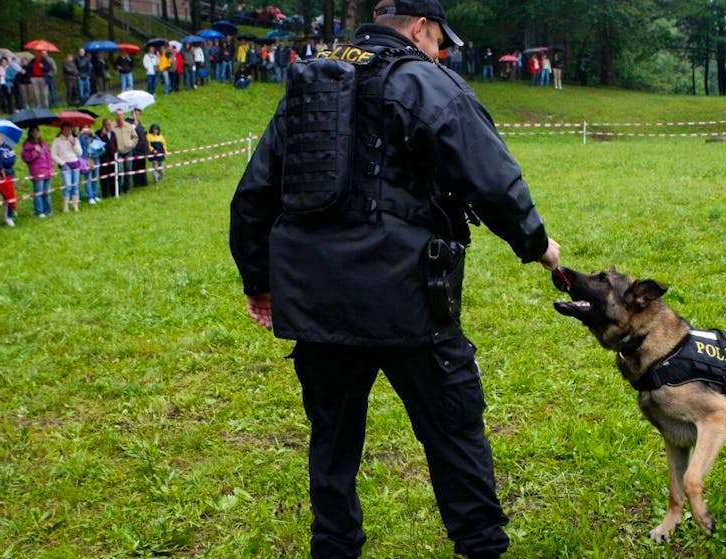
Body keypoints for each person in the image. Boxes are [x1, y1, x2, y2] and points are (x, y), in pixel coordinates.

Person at [229, 1, 562, 557]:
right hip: (410, 302)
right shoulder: (427, 85)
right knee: (454, 429)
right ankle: (481, 546)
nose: (441, 54)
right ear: (420, 27)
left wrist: (257, 281)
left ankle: (334, 548)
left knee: (331, 439)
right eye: (439, 42)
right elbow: (493, 180)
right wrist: (536, 244)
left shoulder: (308, 84)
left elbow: (254, 193)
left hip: (318, 304)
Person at [21, 126, 55, 217]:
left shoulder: (43, 143)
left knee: (47, 193)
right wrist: (35, 152)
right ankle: (39, 212)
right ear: (31, 133)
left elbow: (49, 157)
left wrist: (52, 168)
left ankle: (48, 210)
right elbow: (26, 158)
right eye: (34, 131)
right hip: (37, 172)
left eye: (37, 131)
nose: (36, 133)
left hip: (47, 171)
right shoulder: (27, 145)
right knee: (38, 193)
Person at [51, 123, 83, 213]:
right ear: (61, 130)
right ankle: (65, 207)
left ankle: (75, 205)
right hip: (66, 164)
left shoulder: (75, 139)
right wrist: (62, 162)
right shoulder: (57, 141)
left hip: (75, 162)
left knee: (75, 185)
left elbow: (80, 153)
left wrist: (74, 145)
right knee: (68, 185)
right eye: (65, 129)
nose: (67, 131)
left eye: (69, 129)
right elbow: (53, 154)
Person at [0, 130, 18, 226]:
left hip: (7, 175)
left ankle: (8, 217)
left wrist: (1, 163)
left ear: (1, 136)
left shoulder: (8, 147)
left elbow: (11, 160)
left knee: (9, 197)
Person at [112, 109, 138, 194]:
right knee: (118, 171)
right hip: (117, 152)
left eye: (121, 115)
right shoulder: (112, 126)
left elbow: (135, 137)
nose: (119, 117)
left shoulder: (128, 125)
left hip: (128, 150)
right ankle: (118, 189)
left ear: (123, 115)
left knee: (128, 169)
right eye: (118, 115)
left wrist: (132, 144)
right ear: (115, 115)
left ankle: (126, 188)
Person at [77, 125, 101, 204]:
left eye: (88, 127)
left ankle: (95, 195)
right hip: (86, 159)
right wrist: (80, 134)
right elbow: (77, 146)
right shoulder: (80, 137)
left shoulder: (93, 136)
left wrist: (93, 135)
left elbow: (100, 143)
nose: (86, 129)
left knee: (95, 177)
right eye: (84, 127)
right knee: (89, 178)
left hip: (95, 157)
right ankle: (90, 196)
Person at [96, 118, 118, 198]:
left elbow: (114, 146)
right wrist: (104, 136)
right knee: (104, 177)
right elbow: (101, 146)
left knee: (113, 176)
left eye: (110, 124)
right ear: (104, 125)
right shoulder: (98, 134)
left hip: (112, 158)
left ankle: (114, 192)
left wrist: (115, 154)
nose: (109, 126)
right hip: (103, 158)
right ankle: (106, 194)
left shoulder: (113, 133)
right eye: (107, 125)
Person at [129, 108, 149, 187]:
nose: (138, 116)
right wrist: (134, 125)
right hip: (135, 148)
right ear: (132, 114)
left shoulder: (140, 123)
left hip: (142, 147)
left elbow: (143, 135)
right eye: (136, 114)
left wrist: (144, 129)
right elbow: (130, 133)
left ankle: (143, 181)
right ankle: (137, 183)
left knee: (142, 165)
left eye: (139, 114)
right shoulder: (129, 122)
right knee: (136, 166)